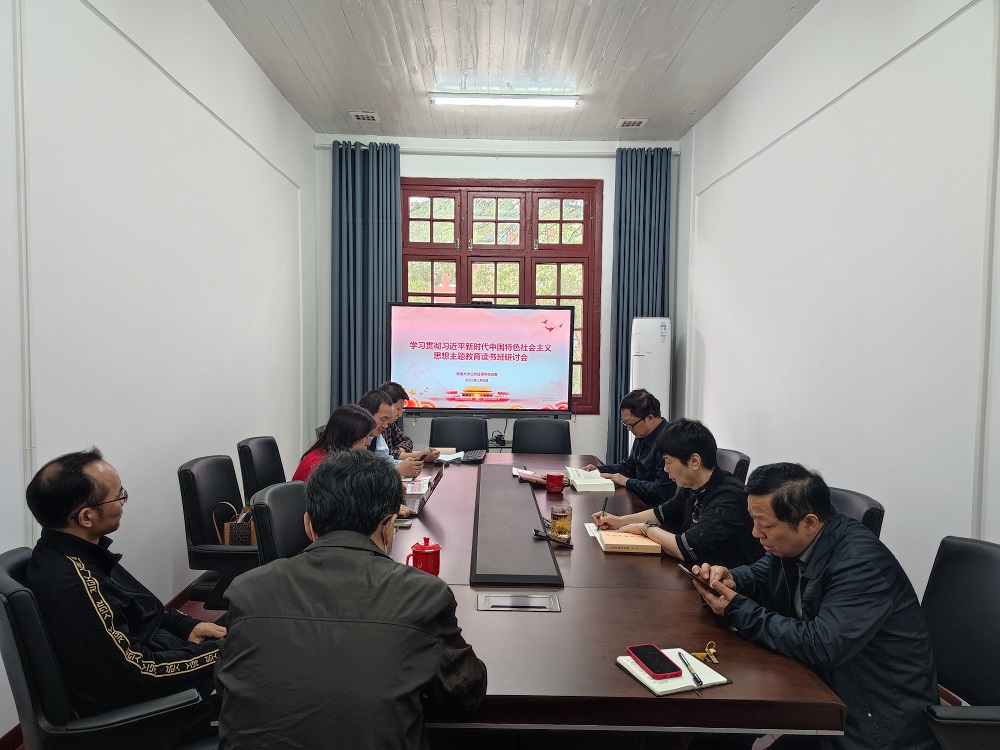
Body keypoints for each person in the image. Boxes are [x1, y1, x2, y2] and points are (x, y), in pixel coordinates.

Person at [216, 450, 488, 749]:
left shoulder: (246, 590)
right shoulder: (423, 595)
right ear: (389, 526)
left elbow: (229, 686)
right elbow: (466, 694)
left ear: (308, 524)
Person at [691, 463, 938, 750]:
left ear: (809, 522)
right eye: (753, 521)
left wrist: (737, 609)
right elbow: (763, 571)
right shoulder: (798, 543)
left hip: (876, 722)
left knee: (726, 721)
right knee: (720, 728)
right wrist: (732, 578)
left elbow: (822, 645)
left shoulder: (860, 566)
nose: (755, 533)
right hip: (829, 689)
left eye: (766, 525)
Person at [24, 448, 224, 741]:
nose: (123, 502)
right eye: (118, 496)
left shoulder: (77, 553)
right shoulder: (76, 587)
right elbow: (140, 673)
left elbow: (144, 611)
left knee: (259, 638)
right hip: (154, 716)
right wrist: (222, 652)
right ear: (86, 517)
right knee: (270, 696)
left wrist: (187, 626)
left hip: (165, 675)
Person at [591, 419, 762, 568]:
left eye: (668, 462)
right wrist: (619, 521)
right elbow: (663, 513)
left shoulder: (729, 497)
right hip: (699, 571)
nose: (665, 469)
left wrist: (645, 529)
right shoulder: (691, 485)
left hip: (728, 584)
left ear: (694, 461)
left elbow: (687, 548)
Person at [582, 389, 675, 505]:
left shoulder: (669, 441)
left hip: (655, 507)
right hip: (638, 499)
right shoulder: (643, 434)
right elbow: (630, 466)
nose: (628, 429)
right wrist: (599, 470)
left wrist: (627, 482)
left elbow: (662, 491)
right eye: (625, 423)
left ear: (650, 418)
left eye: (631, 424)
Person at [291, 403, 376, 481]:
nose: (368, 443)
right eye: (367, 436)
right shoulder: (319, 466)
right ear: (350, 437)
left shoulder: (337, 461)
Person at [359, 388, 423, 477]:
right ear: (367, 414)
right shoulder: (353, 435)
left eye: (388, 420)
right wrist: (397, 471)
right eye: (383, 419)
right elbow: (358, 474)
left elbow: (386, 460)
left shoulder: (375, 435)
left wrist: (409, 464)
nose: (385, 426)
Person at [378, 380, 440, 462]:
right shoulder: (376, 426)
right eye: (398, 409)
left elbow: (407, 441)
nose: (400, 414)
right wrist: (420, 456)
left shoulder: (390, 424)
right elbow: (385, 457)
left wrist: (399, 452)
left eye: (402, 410)